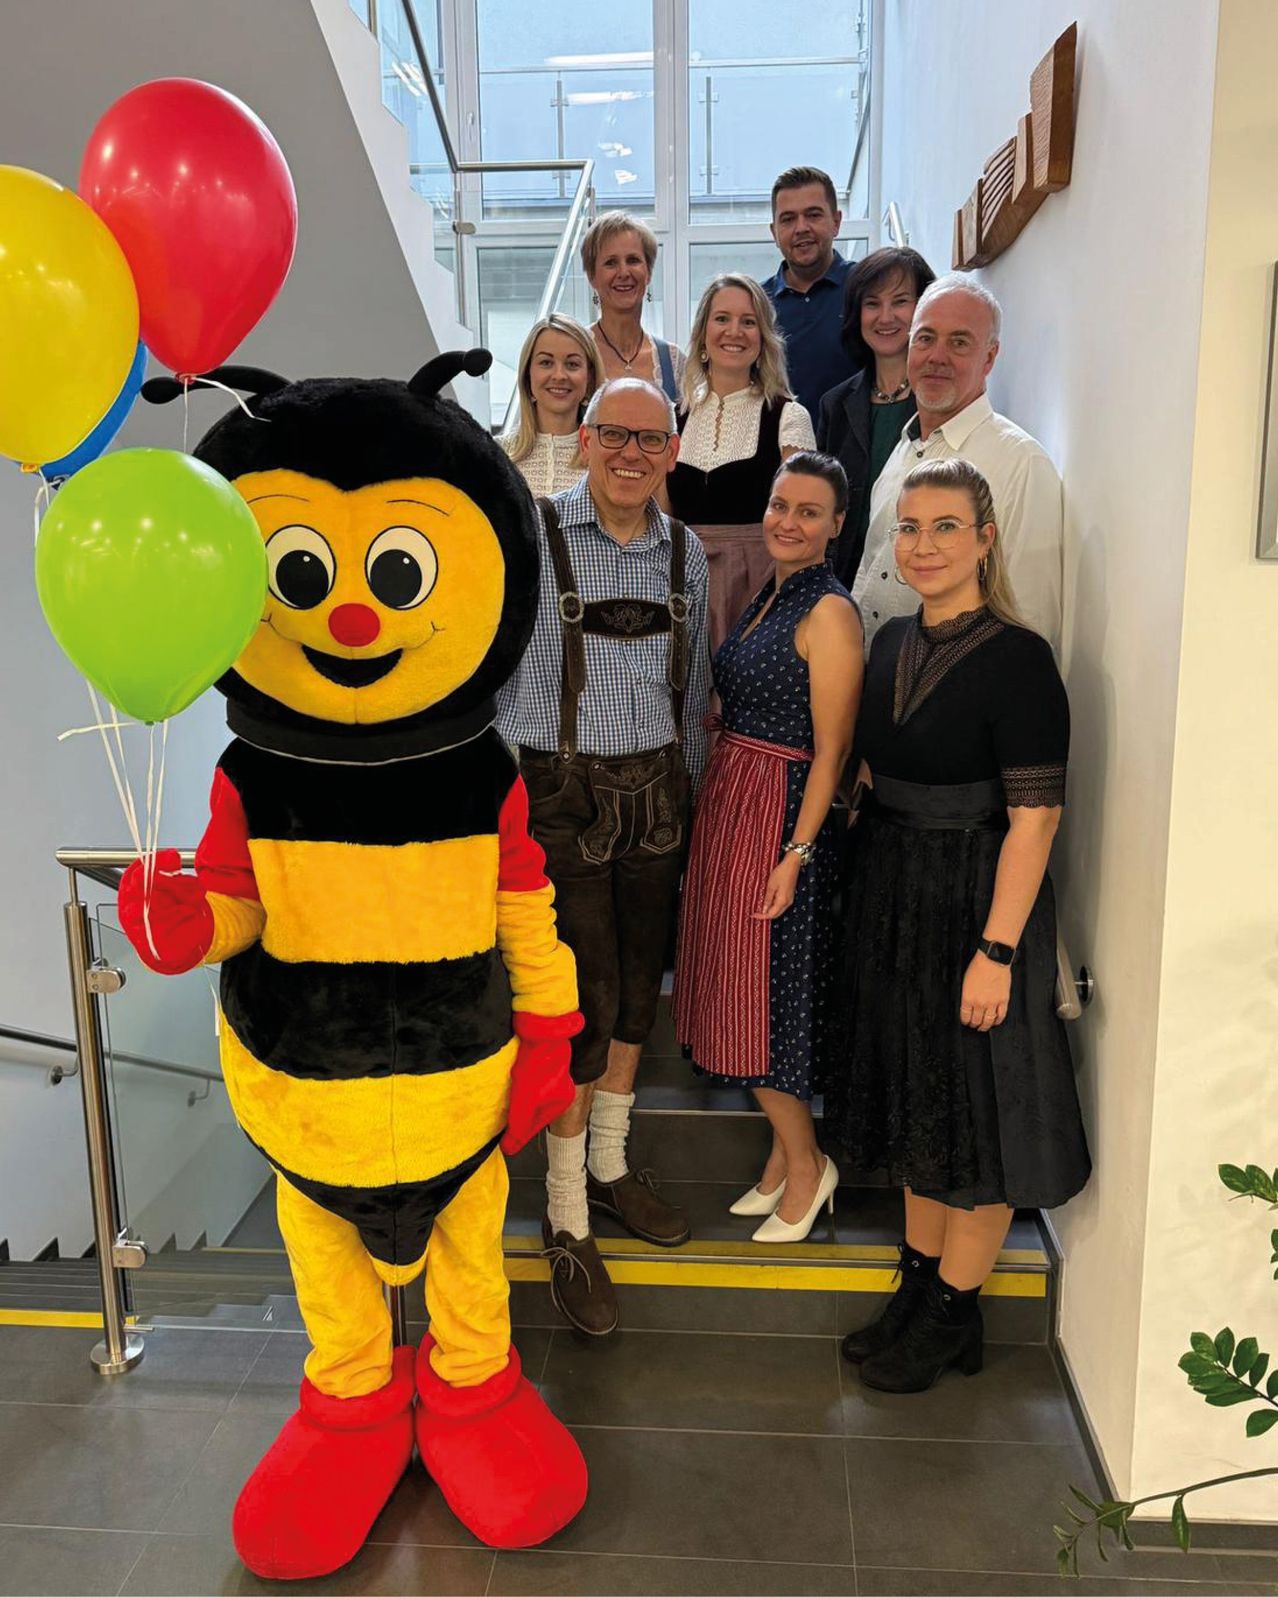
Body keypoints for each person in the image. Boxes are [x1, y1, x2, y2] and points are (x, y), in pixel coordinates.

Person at [825, 457, 1090, 1394]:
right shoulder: (892, 637)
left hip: (976, 900)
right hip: (894, 893)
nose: (923, 545)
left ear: (985, 537)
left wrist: (997, 951)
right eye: (909, 527)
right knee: (918, 1101)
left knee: (975, 1117)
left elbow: (1037, 819)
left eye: (945, 526)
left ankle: (949, 1309)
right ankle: (924, 1287)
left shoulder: (1020, 658)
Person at [498, 377, 711, 1337]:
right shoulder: (535, 538)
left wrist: (692, 796)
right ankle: (568, 1213)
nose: (632, 453)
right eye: (615, 434)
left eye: (650, 439)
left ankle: (614, 1166)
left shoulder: (688, 552)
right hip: (559, 794)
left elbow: (695, 677)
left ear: (672, 452)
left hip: (659, 788)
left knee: (635, 994)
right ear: (584, 439)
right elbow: (494, 675)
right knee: (578, 1009)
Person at [675, 453, 862, 1242]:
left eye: (808, 511)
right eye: (781, 505)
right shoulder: (768, 591)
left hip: (779, 813)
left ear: (837, 526)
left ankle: (808, 1162)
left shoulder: (831, 612)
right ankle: (786, 1159)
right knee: (732, 985)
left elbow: (832, 750)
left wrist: (796, 854)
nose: (788, 520)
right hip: (733, 798)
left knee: (766, 1003)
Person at [850, 274, 1063, 653]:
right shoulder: (902, 452)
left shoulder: (1020, 464)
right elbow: (870, 574)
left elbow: (1032, 625)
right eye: (926, 338)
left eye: (959, 342)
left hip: (952, 701)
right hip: (877, 687)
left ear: (990, 357)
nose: (936, 357)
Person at [666, 273, 815, 652]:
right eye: (722, 319)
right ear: (702, 333)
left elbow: (801, 521)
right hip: (682, 587)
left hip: (761, 587)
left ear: (763, 337)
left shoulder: (789, 417)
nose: (735, 331)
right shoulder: (670, 418)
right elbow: (660, 518)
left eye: (748, 321)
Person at [816, 246, 936, 586]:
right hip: (847, 583)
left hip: (922, 577)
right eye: (872, 303)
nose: (885, 317)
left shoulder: (940, 401)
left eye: (900, 301)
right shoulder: (835, 405)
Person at [762, 166, 857, 419]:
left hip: (857, 453)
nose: (801, 228)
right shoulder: (757, 304)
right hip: (781, 453)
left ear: (836, 222)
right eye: (788, 219)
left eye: (813, 215)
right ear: (774, 232)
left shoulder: (866, 287)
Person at [582, 211, 685, 404]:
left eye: (633, 260)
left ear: (649, 273)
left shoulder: (674, 362)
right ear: (592, 276)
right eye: (611, 263)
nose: (623, 272)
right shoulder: (574, 351)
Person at [501, 313, 602, 496]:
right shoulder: (496, 455)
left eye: (572, 364)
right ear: (527, 374)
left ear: (590, 377)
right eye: (546, 363)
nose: (559, 376)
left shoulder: (606, 458)